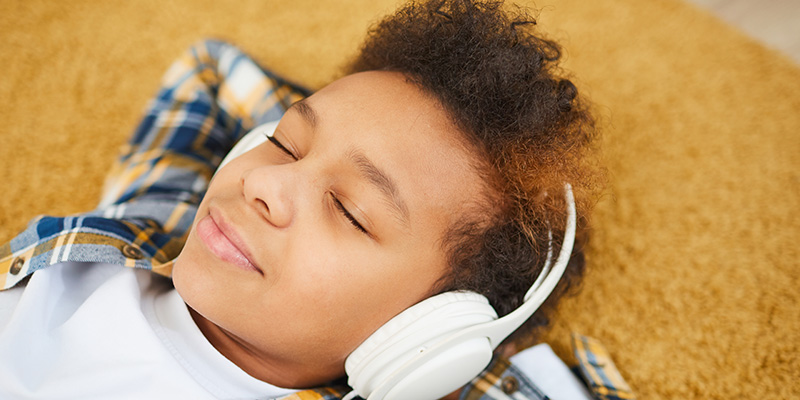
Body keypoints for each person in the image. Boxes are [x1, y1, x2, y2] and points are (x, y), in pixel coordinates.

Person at [0, 0, 620, 399]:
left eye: (348, 212)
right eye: (284, 143)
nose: (262, 183)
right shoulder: (151, 226)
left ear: (423, 331)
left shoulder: (441, 357)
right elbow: (211, 71)